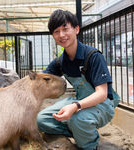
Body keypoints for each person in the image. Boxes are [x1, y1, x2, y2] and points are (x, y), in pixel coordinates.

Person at [37, 9, 120, 150]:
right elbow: (41, 79)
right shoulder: (60, 62)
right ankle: (81, 132)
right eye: (56, 32)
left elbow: (102, 93)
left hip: (102, 104)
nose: (61, 35)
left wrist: (75, 106)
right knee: (41, 120)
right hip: (79, 100)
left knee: (78, 119)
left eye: (65, 29)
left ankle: (90, 145)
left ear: (76, 29)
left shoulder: (93, 56)